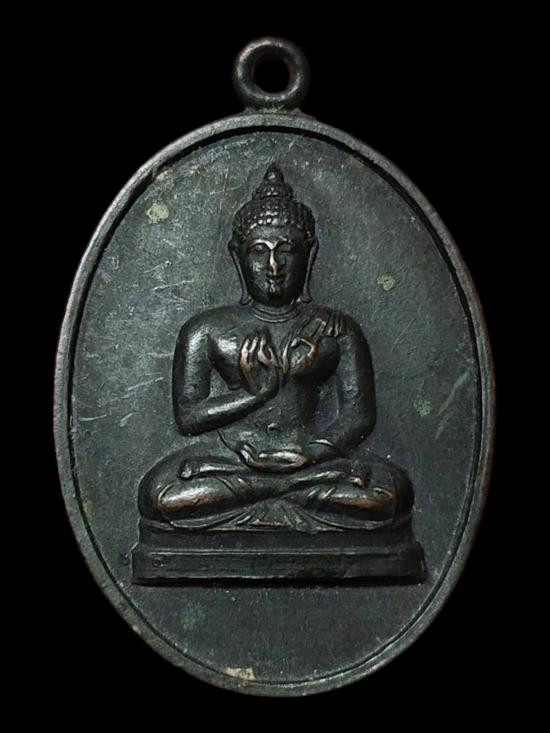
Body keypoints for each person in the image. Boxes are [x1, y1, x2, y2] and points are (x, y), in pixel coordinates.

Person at [138, 165, 413, 532]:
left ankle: (268, 498)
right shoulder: (205, 329)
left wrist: (313, 452)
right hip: (232, 460)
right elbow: (188, 417)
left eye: (287, 251)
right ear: (237, 256)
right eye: (258, 251)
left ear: (309, 255)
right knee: (159, 494)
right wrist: (255, 394)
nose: (273, 266)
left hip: (311, 461)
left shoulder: (336, 328)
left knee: (389, 492)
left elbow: (359, 416)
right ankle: (284, 499)